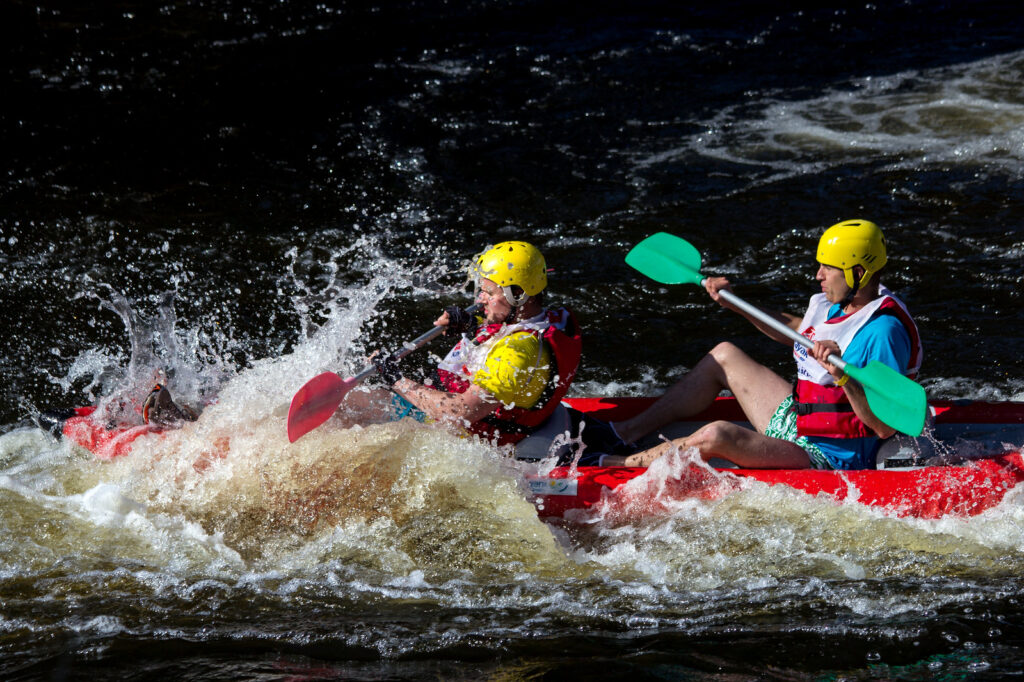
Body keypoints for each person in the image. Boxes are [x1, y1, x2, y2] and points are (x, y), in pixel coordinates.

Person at [599, 219, 922, 471]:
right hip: (800, 424)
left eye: (828, 268)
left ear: (858, 272)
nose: (818, 275)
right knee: (724, 355)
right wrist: (735, 303)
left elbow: (884, 426)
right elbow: (798, 329)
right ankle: (622, 434)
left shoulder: (884, 333)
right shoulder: (844, 301)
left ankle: (611, 465)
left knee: (717, 435)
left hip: (833, 458)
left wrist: (843, 376)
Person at [368, 240, 582, 449]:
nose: (480, 299)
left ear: (517, 294)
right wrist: (472, 325)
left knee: (355, 420)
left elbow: (460, 412)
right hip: (443, 411)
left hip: (463, 439)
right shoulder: (543, 319)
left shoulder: (517, 352)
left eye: (489, 293)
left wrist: (396, 380)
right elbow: (504, 332)